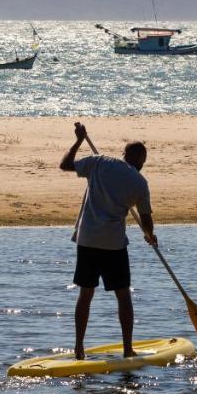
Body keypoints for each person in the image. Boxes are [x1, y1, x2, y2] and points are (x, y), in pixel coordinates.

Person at [60, 122, 155, 359]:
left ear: (124, 155)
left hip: (87, 239)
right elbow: (146, 219)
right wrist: (149, 235)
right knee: (123, 296)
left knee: (86, 294)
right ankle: (127, 349)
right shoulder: (140, 183)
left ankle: (79, 348)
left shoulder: (100, 161)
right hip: (113, 244)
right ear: (141, 162)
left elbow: (65, 165)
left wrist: (79, 140)